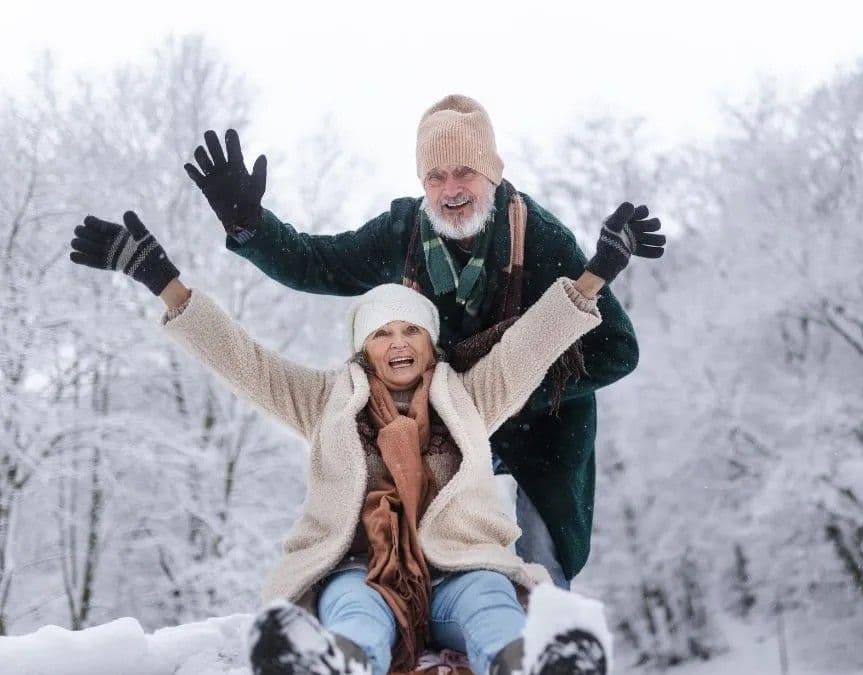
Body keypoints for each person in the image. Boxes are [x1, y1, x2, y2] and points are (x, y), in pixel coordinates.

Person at [69, 202, 662, 674]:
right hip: (363, 569)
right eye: (382, 334)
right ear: (364, 348)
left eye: (411, 331)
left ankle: (531, 665)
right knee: (353, 611)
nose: (398, 343)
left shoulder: (469, 396)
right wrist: (162, 280)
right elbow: (244, 362)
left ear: (430, 344)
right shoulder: (326, 402)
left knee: (491, 603)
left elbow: (532, 345)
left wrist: (599, 271)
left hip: (461, 570)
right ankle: (333, 665)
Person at [182, 95, 661, 590]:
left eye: (464, 173)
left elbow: (618, 350)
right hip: (444, 423)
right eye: (435, 177)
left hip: (545, 429)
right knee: (431, 548)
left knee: (542, 566)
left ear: (491, 174)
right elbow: (316, 263)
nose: (450, 190)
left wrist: (520, 390)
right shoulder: (404, 232)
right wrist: (250, 226)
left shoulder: (537, 238)